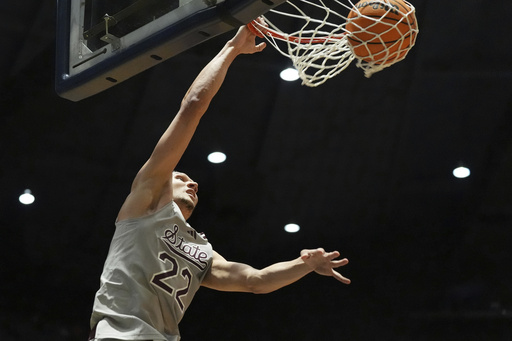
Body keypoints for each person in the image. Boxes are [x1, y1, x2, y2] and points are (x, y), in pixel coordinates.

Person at [88, 24, 351, 341]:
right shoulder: (144, 202)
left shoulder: (202, 251)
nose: (193, 184)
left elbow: (256, 280)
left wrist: (303, 264)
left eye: (193, 182)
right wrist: (231, 49)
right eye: (182, 177)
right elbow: (193, 105)